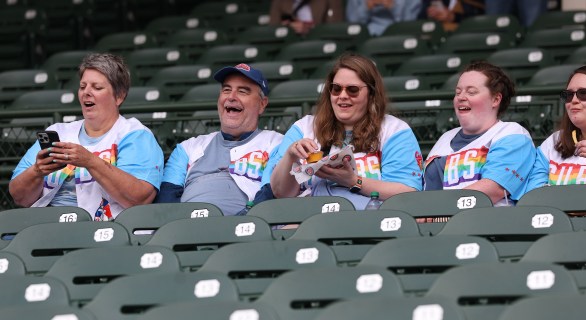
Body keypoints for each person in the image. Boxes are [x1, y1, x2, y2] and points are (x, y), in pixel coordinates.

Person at [9, 53, 164, 221]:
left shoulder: (134, 135)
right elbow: (19, 197)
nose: (86, 93)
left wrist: (90, 161)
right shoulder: (59, 132)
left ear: (119, 96)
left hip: (104, 232)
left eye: (97, 88)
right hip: (46, 225)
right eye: (83, 87)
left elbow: (139, 199)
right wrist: (37, 171)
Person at [263, 53, 424, 210]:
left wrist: (354, 181)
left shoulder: (394, 129)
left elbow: (407, 193)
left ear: (371, 94)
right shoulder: (303, 127)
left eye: (353, 90)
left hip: (369, 222)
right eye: (336, 89)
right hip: (309, 219)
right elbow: (281, 194)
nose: (343, 96)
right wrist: (291, 156)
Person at [155, 63, 283, 215]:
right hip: (186, 228)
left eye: (242, 91)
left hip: (245, 229)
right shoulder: (188, 148)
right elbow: (167, 199)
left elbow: (271, 194)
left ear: (262, 104)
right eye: (226, 90)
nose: (231, 97)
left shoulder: (277, 143)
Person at [423, 61, 536, 206]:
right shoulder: (445, 138)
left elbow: (491, 190)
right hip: (438, 225)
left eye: (471, 92)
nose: (461, 97)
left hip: (489, 225)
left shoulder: (512, 134)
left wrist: (435, 208)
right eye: (458, 92)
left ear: (495, 99)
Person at [526, 64, 586, 190]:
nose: (574, 100)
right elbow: (534, 194)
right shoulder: (554, 141)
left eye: (583, 93)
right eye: (568, 95)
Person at [346, 0, 422, 37]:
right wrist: (367, 6)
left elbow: (411, 26)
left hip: (400, 37)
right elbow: (352, 25)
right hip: (367, 37)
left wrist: (393, 7)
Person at [269, 0, 344, 35]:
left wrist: (309, 28)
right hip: (290, 41)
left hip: (318, 42)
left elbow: (334, 30)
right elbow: (272, 29)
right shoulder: (279, 2)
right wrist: (288, 28)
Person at [419, 0, 484, 32]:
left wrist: (453, 17)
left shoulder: (473, 2)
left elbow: (480, 22)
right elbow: (419, 20)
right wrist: (429, 13)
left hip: (465, 38)